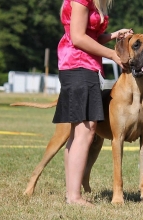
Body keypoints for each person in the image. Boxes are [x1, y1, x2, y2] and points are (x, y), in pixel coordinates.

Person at [52, 0, 133, 206]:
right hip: (79, 66)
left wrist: (114, 36)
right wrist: (113, 55)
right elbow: (78, 38)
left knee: (79, 132)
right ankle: (74, 196)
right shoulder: (82, 0)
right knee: (86, 131)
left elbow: (90, 36)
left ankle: (72, 193)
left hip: (81, 68)